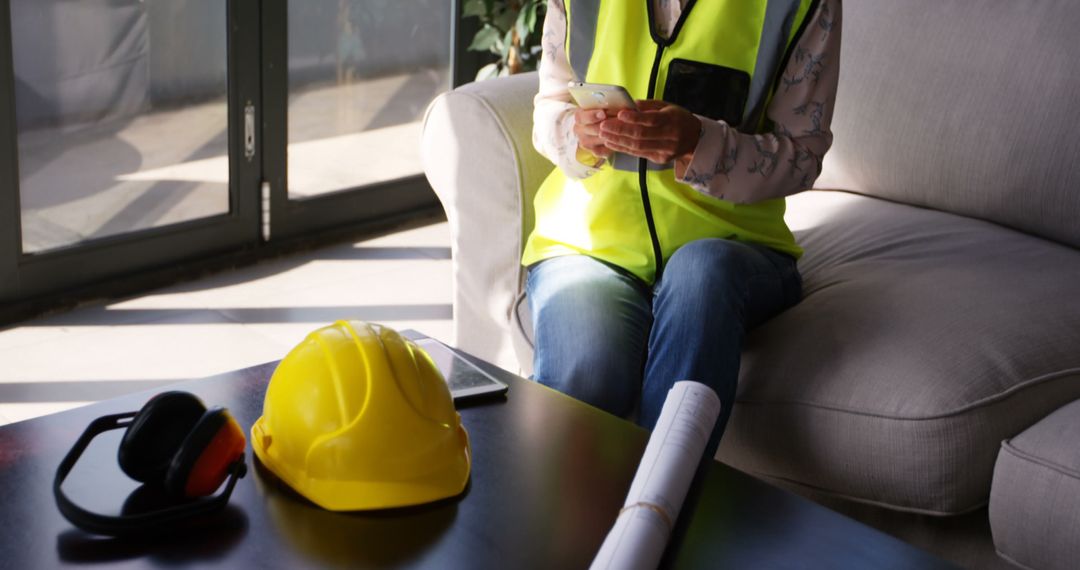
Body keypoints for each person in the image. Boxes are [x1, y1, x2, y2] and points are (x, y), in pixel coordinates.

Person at [525, 0, 842, 454]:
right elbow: (548, 107)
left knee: (700, 273)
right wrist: (578, 132)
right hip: (588, 243)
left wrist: (700, 142)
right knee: (584, 381)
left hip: (732, 246)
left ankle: (659, 513)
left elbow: (803, 157)